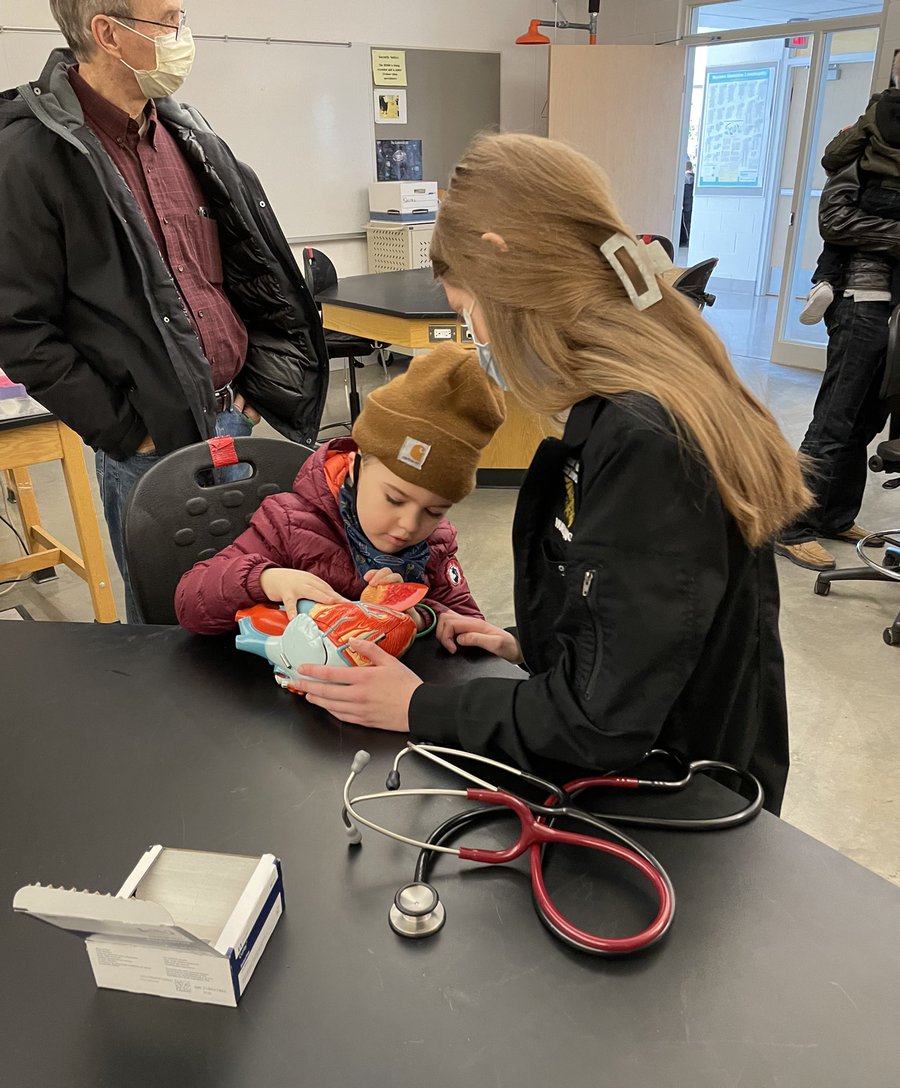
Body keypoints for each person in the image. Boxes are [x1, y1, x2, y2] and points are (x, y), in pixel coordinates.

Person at [297, 133, 812, 816]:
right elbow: (642, 626)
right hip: (670, 755)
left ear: (500, 263)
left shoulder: (647, 443)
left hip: (675, 801)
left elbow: (601, 724)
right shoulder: (638, 404)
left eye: (468, 314)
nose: (478, 341)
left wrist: (420, 706)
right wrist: (532, 645)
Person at [0, 1, 327, 621]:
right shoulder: (32, 154)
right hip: (151, 447)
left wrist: (255, 384)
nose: (183, 36)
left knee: (262, 605)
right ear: (107, 33)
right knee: (172, 625)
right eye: (168, 21)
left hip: (235, 418)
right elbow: (18, 326)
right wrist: (126, 430)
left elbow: (243, 268)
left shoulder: (183, 132)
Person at [175, 345, 504, 633]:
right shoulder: (290, 524)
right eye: (393, 499)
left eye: (433, 511)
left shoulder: (436, 544)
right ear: (355, 466)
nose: (408, 525)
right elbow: (190, 600)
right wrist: (266, 580)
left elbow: (468, 623)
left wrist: (423, 618)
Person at [776, 156, 896, 570]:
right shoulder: (865, 152)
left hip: (894, 309)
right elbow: (836, 224)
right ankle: (790, 526)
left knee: (865, 423)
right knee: (834, 420)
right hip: (860, 301)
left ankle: (835, 517)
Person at [801, 88, 900, 325]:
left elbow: (832, 157)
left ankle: (824, 280)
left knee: (842, 236)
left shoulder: (875, 114)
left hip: (875, 194)